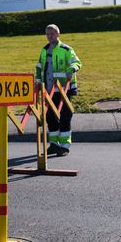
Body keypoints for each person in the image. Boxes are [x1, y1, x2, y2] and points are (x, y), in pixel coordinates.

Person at [34, 24, 81, 156]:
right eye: (47, 34)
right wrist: (37, 81)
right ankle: (54, 144)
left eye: (52, 34)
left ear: (58, 34)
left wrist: (72, 69)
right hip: (48, 90)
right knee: (50, 117)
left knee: (65, 116)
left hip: (64, 89)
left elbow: (76, 62)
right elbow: (39, 67)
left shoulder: (66, 49)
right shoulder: (44, 50)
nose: (49, 36)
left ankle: (65, 146)